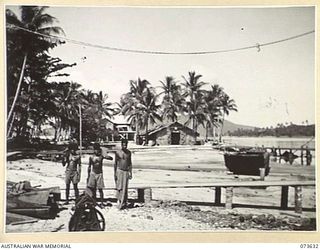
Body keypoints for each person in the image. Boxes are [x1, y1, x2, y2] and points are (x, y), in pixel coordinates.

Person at [87, 143, 113, 207]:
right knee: (93, 189)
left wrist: (105, 155)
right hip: (93, 173)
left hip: (99, 174)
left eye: (97, 149)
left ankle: (101, 203)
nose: (96, 151)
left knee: (100, 189)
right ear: (94, 150)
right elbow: (89, 166)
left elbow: (111, 158)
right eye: (95, 149)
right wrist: (88, 175)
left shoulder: (101, 156)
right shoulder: (91, 157)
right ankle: (94, 202)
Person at [114, 138, 132, 210]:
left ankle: (124, 202)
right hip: (119, 170)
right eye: (123, 145)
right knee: (119, 186)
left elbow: (130, 163)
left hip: (126, 171)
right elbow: (115, 163)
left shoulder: (129, 153)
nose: (124, 146)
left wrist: (130, 172)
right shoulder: (118, 152)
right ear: (121, 145)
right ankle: (119, 201)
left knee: (125, 187)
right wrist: (114, 173)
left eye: (125, 145)